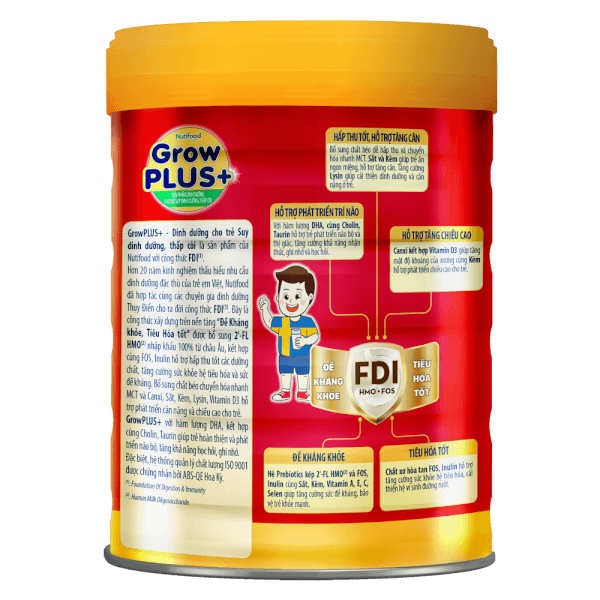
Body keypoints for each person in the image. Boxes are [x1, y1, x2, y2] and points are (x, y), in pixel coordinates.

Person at [258, 265, 320, 402]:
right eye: (285, 296)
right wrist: (264, 309)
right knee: (285, 373)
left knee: (303, 374)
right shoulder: (282, 321)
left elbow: (315, 336)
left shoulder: (307, 321)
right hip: (285, 355)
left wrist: (305, 341)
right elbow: (269, 321)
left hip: (302, 355)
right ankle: (285, 391)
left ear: (310, 297)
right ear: (277, 297)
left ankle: (302, 392)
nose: (291, 301)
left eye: (297, 296)